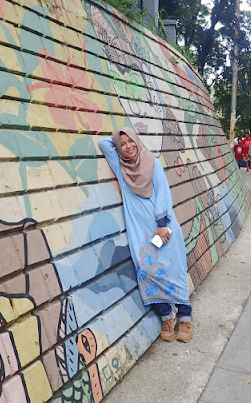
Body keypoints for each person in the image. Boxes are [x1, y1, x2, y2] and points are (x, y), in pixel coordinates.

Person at [99, 128, 193, 343]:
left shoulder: (152, 162)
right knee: (148, 272)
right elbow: (105, 144)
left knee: (173, 270)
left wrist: (161, 224)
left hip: (163, 227)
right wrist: (117, 137)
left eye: (131, 141)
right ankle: (167, 317)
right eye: (122, 144)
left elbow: (163, 194)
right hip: (140, 233)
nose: (128, 146)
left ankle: (185, 317)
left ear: (137, 141)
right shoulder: (121, 167)